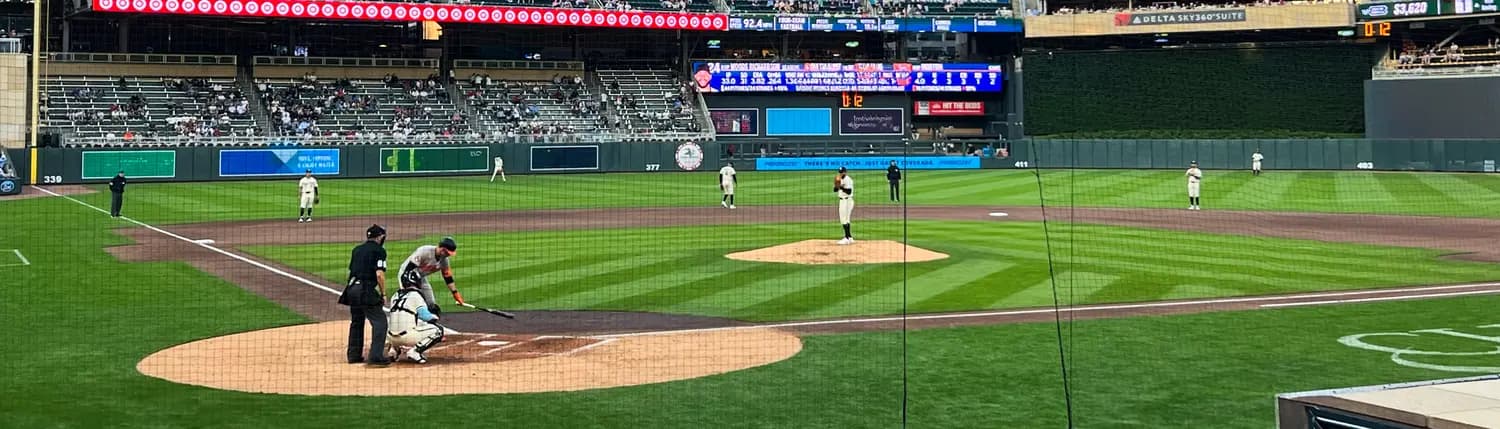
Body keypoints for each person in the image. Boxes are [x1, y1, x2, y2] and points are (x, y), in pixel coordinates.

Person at [338, 225, 391, 367]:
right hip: (365, 289)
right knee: (380, 321)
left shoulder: (357, 249)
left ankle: (353, 355)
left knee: (356, 321)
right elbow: (379, 274)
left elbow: (352, 271)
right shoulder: (379, 251)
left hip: (351, 288)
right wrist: (383, 293)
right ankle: (376, 357)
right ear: (380, 237)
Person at [398, 237, 465, 315]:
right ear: (442, 249)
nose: (448, 255)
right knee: (411, 299)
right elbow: (409, 269)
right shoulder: (424, 251)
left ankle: (428, 322)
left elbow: (448, 277)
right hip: (406, 274)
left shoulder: (444, 260)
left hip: (421, 277)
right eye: (447, 253)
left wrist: (455, 293)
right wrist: (407, 285)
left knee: (431, 304)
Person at [386, 282, 445, 364]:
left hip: (390, 337)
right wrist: (435, 317)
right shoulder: (415, 295)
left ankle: (393, 351)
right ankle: (415, 351)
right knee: (438, 330)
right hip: (407, 337)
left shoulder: (395, 295)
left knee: (399, 321)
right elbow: (425, 316)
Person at [835, 166, 855, 244]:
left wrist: (840, 187)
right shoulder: (839, 178)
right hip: (844, 201)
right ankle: (850, 237)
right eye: (840, 172)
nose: (841, 173)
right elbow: (835, 189)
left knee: (844, 219)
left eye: (842, 172)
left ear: (845, 172)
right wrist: (837, 186)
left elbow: (849, 191)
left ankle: (846, 238)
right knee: (846, 219)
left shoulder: (848, 179)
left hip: (847, 201)